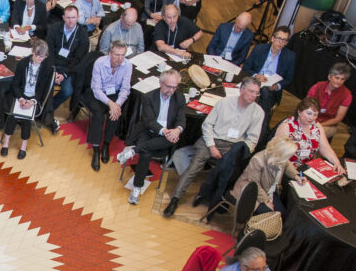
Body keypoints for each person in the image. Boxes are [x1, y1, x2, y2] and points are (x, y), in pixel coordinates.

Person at [164, 78, 265, 217]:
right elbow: (207, 125)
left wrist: (239, 152)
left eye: (257, 93)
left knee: (227, 171)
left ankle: (209, 197)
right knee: (193, 167)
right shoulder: (224, 102)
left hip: (233, 146)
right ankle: (175, 200)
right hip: (211, 140)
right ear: (241, 90)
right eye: (251, 91)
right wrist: (211, 146)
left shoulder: (258, 112)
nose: (254, 95)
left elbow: (252, 139)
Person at [118, 69, 185, 205]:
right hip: (149, 131)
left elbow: (181, 119)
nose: (171, 90)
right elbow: (149, 121)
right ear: (161, 83)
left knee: (171, 139)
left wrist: (177, 130)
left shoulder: (179, 98)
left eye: (174, 87)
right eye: (168, 86)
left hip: (166, 137)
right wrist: (165, 131)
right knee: (146, 153)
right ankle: (137, 187)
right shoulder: (148, 97)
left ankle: (133, 150)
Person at [0, 38, 54, 159]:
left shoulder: (47, 67)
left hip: (35, 98)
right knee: (13, 113)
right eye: (38, 56)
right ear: (33, 52)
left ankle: (23, 145)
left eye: (43, 57)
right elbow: (15, 84)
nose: (40, 59)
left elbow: (43, 89)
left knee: (26, 117)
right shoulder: (22, 64)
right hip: (21, 95)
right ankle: (6, 141)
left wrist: (33, 101)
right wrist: (21, 98)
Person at [87, 41, 132, 170]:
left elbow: (125, 89)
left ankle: (106, 144)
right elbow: (96, 89)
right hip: (98, 94)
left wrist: (117, 104)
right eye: (117, 55)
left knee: (116, 114)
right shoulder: (100, 63)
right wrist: (110, 103)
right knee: (98, 115)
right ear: (110, 53)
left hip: (114, 95)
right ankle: (96, 149)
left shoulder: (128, 65)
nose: (120, 58)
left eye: (123, 55)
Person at [242, 25, 296, 127]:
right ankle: (262, 125)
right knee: (262, 93)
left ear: (286, 43)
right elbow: (246, 67)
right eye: (279, 38)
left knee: (265, 92)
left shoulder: (290, 56)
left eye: (284, 40)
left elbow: (289, 78)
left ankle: (259, 124)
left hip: (271, 89)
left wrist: (277, 86)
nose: (280, 42)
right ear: (272, 38)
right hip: (254, 81)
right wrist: (256, 76)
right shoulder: (259, 49)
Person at [46, 6, 91, 128]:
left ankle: (48, 109)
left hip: (70, 69)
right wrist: (53, 70)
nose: (71, 21)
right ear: (63, 18)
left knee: (67, 91)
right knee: (44, 86)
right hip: (52, 65)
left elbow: (79, 60)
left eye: (73, 18)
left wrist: (64, 74)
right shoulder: (54, 28)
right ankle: (42, 109)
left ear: (78, 18)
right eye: (68, 18)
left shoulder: (82, 34)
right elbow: (49, 52)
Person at [274, 98, 344, 174]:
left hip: (306, 168)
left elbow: (325, 148)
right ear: (299, 112)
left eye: (315, 115)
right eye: (309, 113)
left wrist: (337, 162)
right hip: (286, 168)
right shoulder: (287, 126)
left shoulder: (317, 126)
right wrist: (295, 174)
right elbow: (278, 155)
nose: (312, 118)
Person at [230, 136, 298, 216]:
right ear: (280, 154)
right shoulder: (258, 160)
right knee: (270, 215)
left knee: (282, 214)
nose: (288, 158)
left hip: (268, 190)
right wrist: (266, 201)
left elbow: (287, 165)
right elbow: (255, 184)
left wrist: (296, 176)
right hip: (251, 192)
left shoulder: (280, 158)